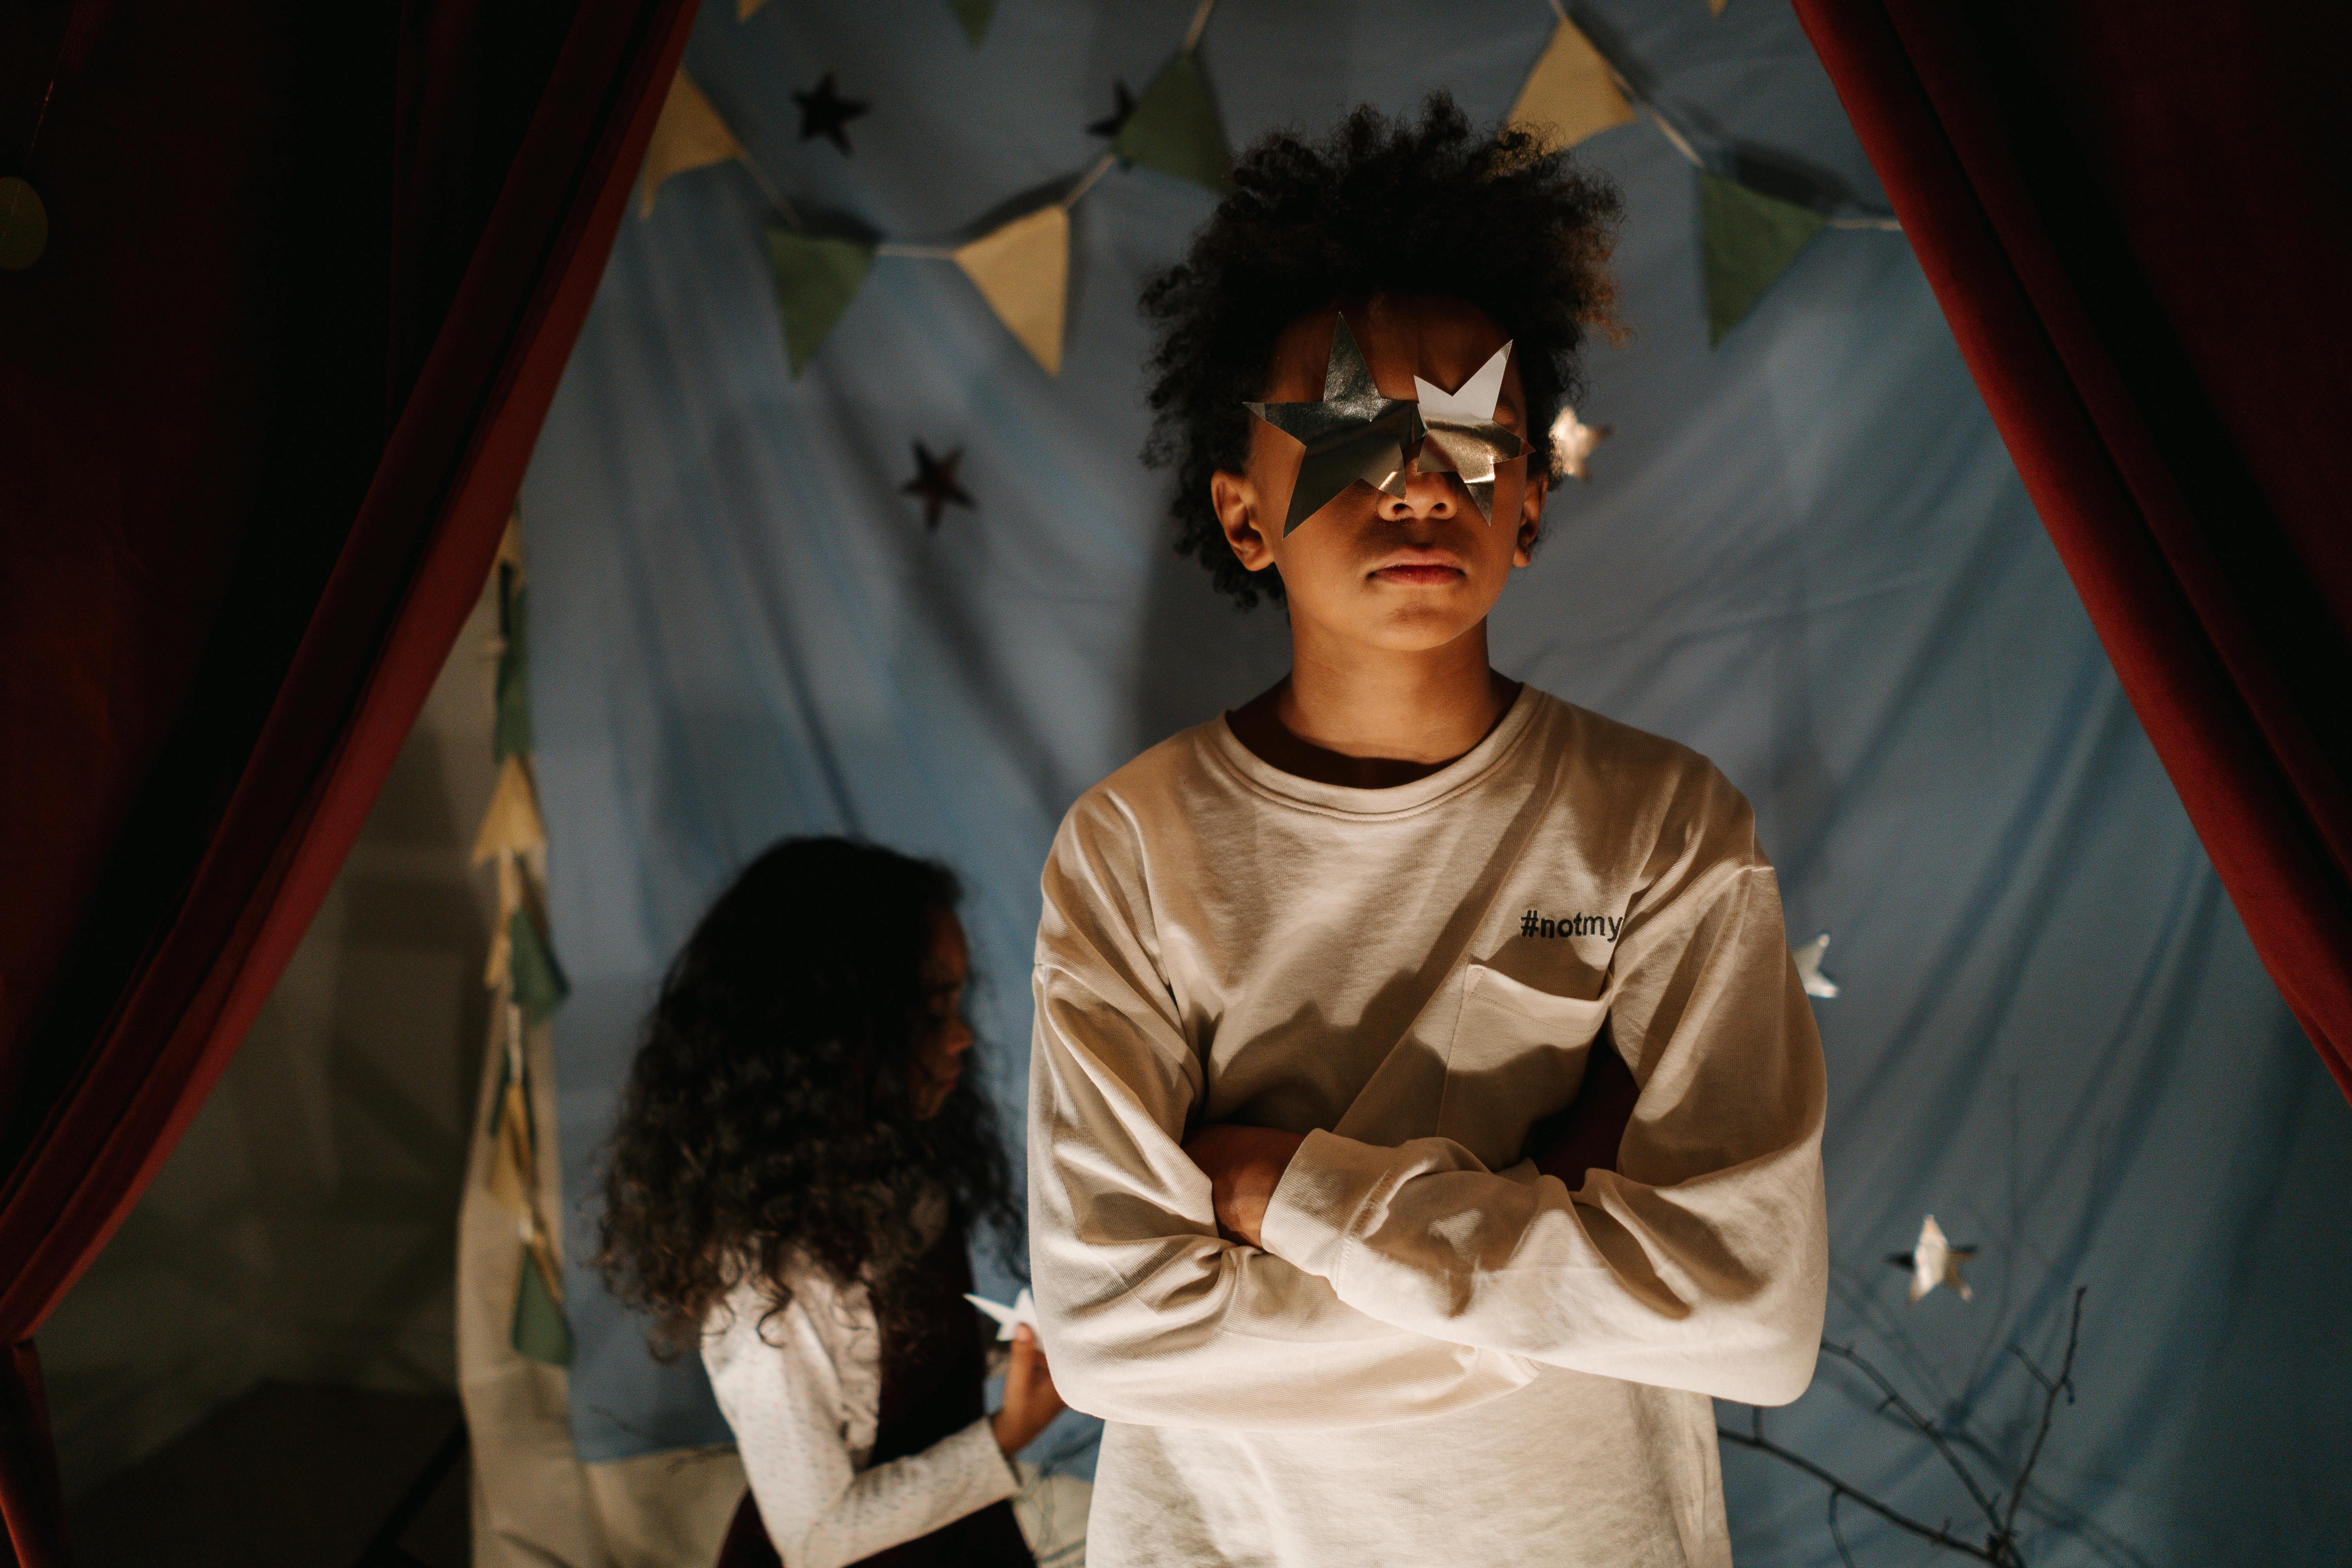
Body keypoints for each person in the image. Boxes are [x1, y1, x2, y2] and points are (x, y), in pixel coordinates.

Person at [1026, 98, 1829, 1566]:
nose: (1414, 478)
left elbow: (1756, 1319)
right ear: (1244, 512)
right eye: (1346, 429)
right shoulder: (1132, 848)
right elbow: (1110, 1335)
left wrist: (1291, 1195)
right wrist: (1563, 1282)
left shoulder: (1661, 830)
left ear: (1528, 502)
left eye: (1474, 435)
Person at [597, 837, 1062, 1568]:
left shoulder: (899, 1175)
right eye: (933, 1008)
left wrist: (1015, 1353)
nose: (964, 1037)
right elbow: (818, 1537)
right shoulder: (764, 1288)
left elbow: (892, 1373)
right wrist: (1006, 1435)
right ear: (832, 1036)